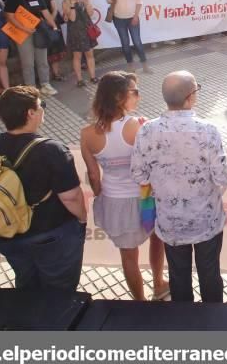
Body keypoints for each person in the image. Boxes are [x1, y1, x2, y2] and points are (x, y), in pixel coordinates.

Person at [0, 86, 87, 290]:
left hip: (6, 232)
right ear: (30, 113)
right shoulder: (51, 149)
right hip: (49, 234)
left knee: (27, 285)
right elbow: (71, 197)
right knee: (59, 290)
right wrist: (82, 219)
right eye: (40, 105)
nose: (43, 109)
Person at [132, 71, 227, 303]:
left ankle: (184, 322)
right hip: (207, 220)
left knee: (178, 276)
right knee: (210, 274)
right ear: (191, 97)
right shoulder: (208, 131)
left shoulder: (146, 130)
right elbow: (222, 177)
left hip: (169, 221)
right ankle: (214, 321)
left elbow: (139, 175)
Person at [81, 72, 169, 301]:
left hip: (114, 201)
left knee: (128, 257)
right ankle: (159, 284)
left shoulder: (87, 134)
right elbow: (155, 164)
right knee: (157, 241)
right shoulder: (139, 127)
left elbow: (93, 175)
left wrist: (102, 195)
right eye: (135, 92)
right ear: (120, 97)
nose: (138, 97)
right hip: (146, 198)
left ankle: (138, 302)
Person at [107, 0, 151, 73]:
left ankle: (145, 65)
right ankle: (131, 66)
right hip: (118, 18)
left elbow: (139, 1)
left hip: (132, 17)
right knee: (125, 43)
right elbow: (108, 0)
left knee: (137, 42)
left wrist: (136, 16)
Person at [61, 0, 97, 87]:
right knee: (77, 56)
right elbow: (72, 18)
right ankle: (80, 80)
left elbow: (90, 14)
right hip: (75, 31)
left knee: (90, 54)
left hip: (86, 29)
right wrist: (72, 4)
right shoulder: (65, 2)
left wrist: (87, 3)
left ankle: (93, 77)